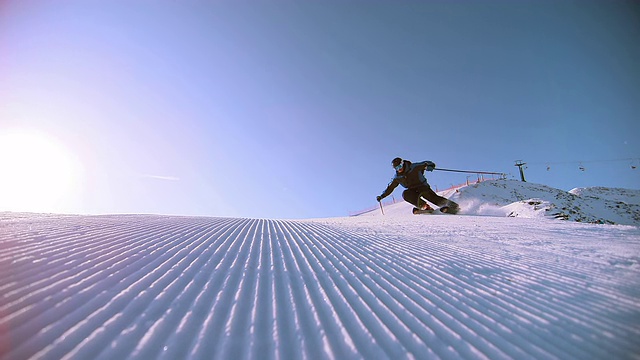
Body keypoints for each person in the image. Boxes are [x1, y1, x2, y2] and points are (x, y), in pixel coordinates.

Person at [376, 157, 460, 214]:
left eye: (400, 166)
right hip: (412, 190)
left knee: (432, 197)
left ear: (403, 163)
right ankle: (425, 207)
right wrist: (382, 196)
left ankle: (453, 206)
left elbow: (426, 163)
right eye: (397, 168)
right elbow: (390, 188)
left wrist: (430, 166)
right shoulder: (397, 177)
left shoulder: (414, 167)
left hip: (422, 186)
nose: (399, 169)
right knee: (405, 194)